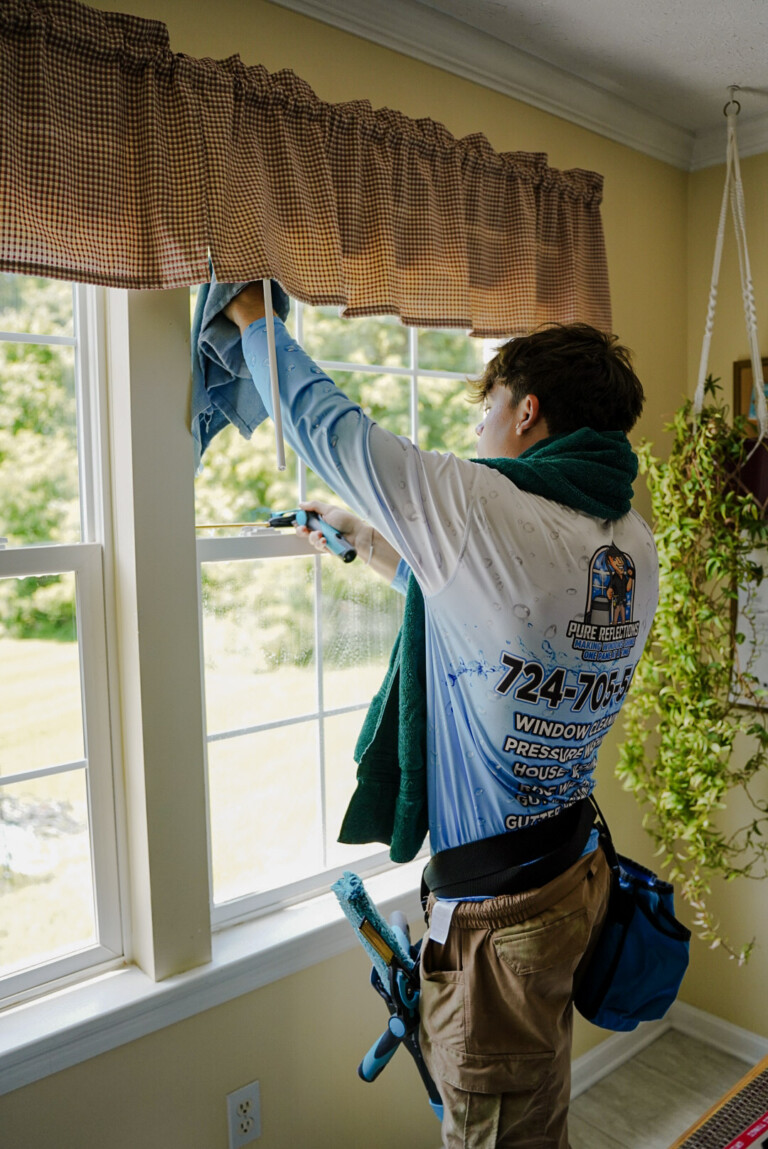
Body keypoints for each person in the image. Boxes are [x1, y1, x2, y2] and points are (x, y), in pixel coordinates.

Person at [222, 284, 659, 1149]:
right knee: (540, 1117)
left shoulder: (484, 502)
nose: (480, 428)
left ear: (527, 410)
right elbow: (506, 628)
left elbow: (333, 430)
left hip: (500, 923)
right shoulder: (626, 537)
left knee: (496, 1135)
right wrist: (378, 546)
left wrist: (249, 320)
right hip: (572, 877)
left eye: (488, 406)